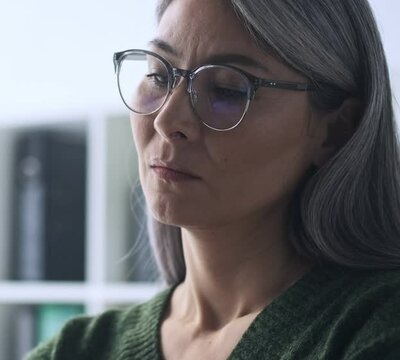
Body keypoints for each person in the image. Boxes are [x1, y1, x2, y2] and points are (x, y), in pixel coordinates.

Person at [27, 0, 400, 358]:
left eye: (227, 90)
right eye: (159, 75)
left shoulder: (378, 330)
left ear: (335, 130)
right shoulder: (75, 349)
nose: (167, 120)